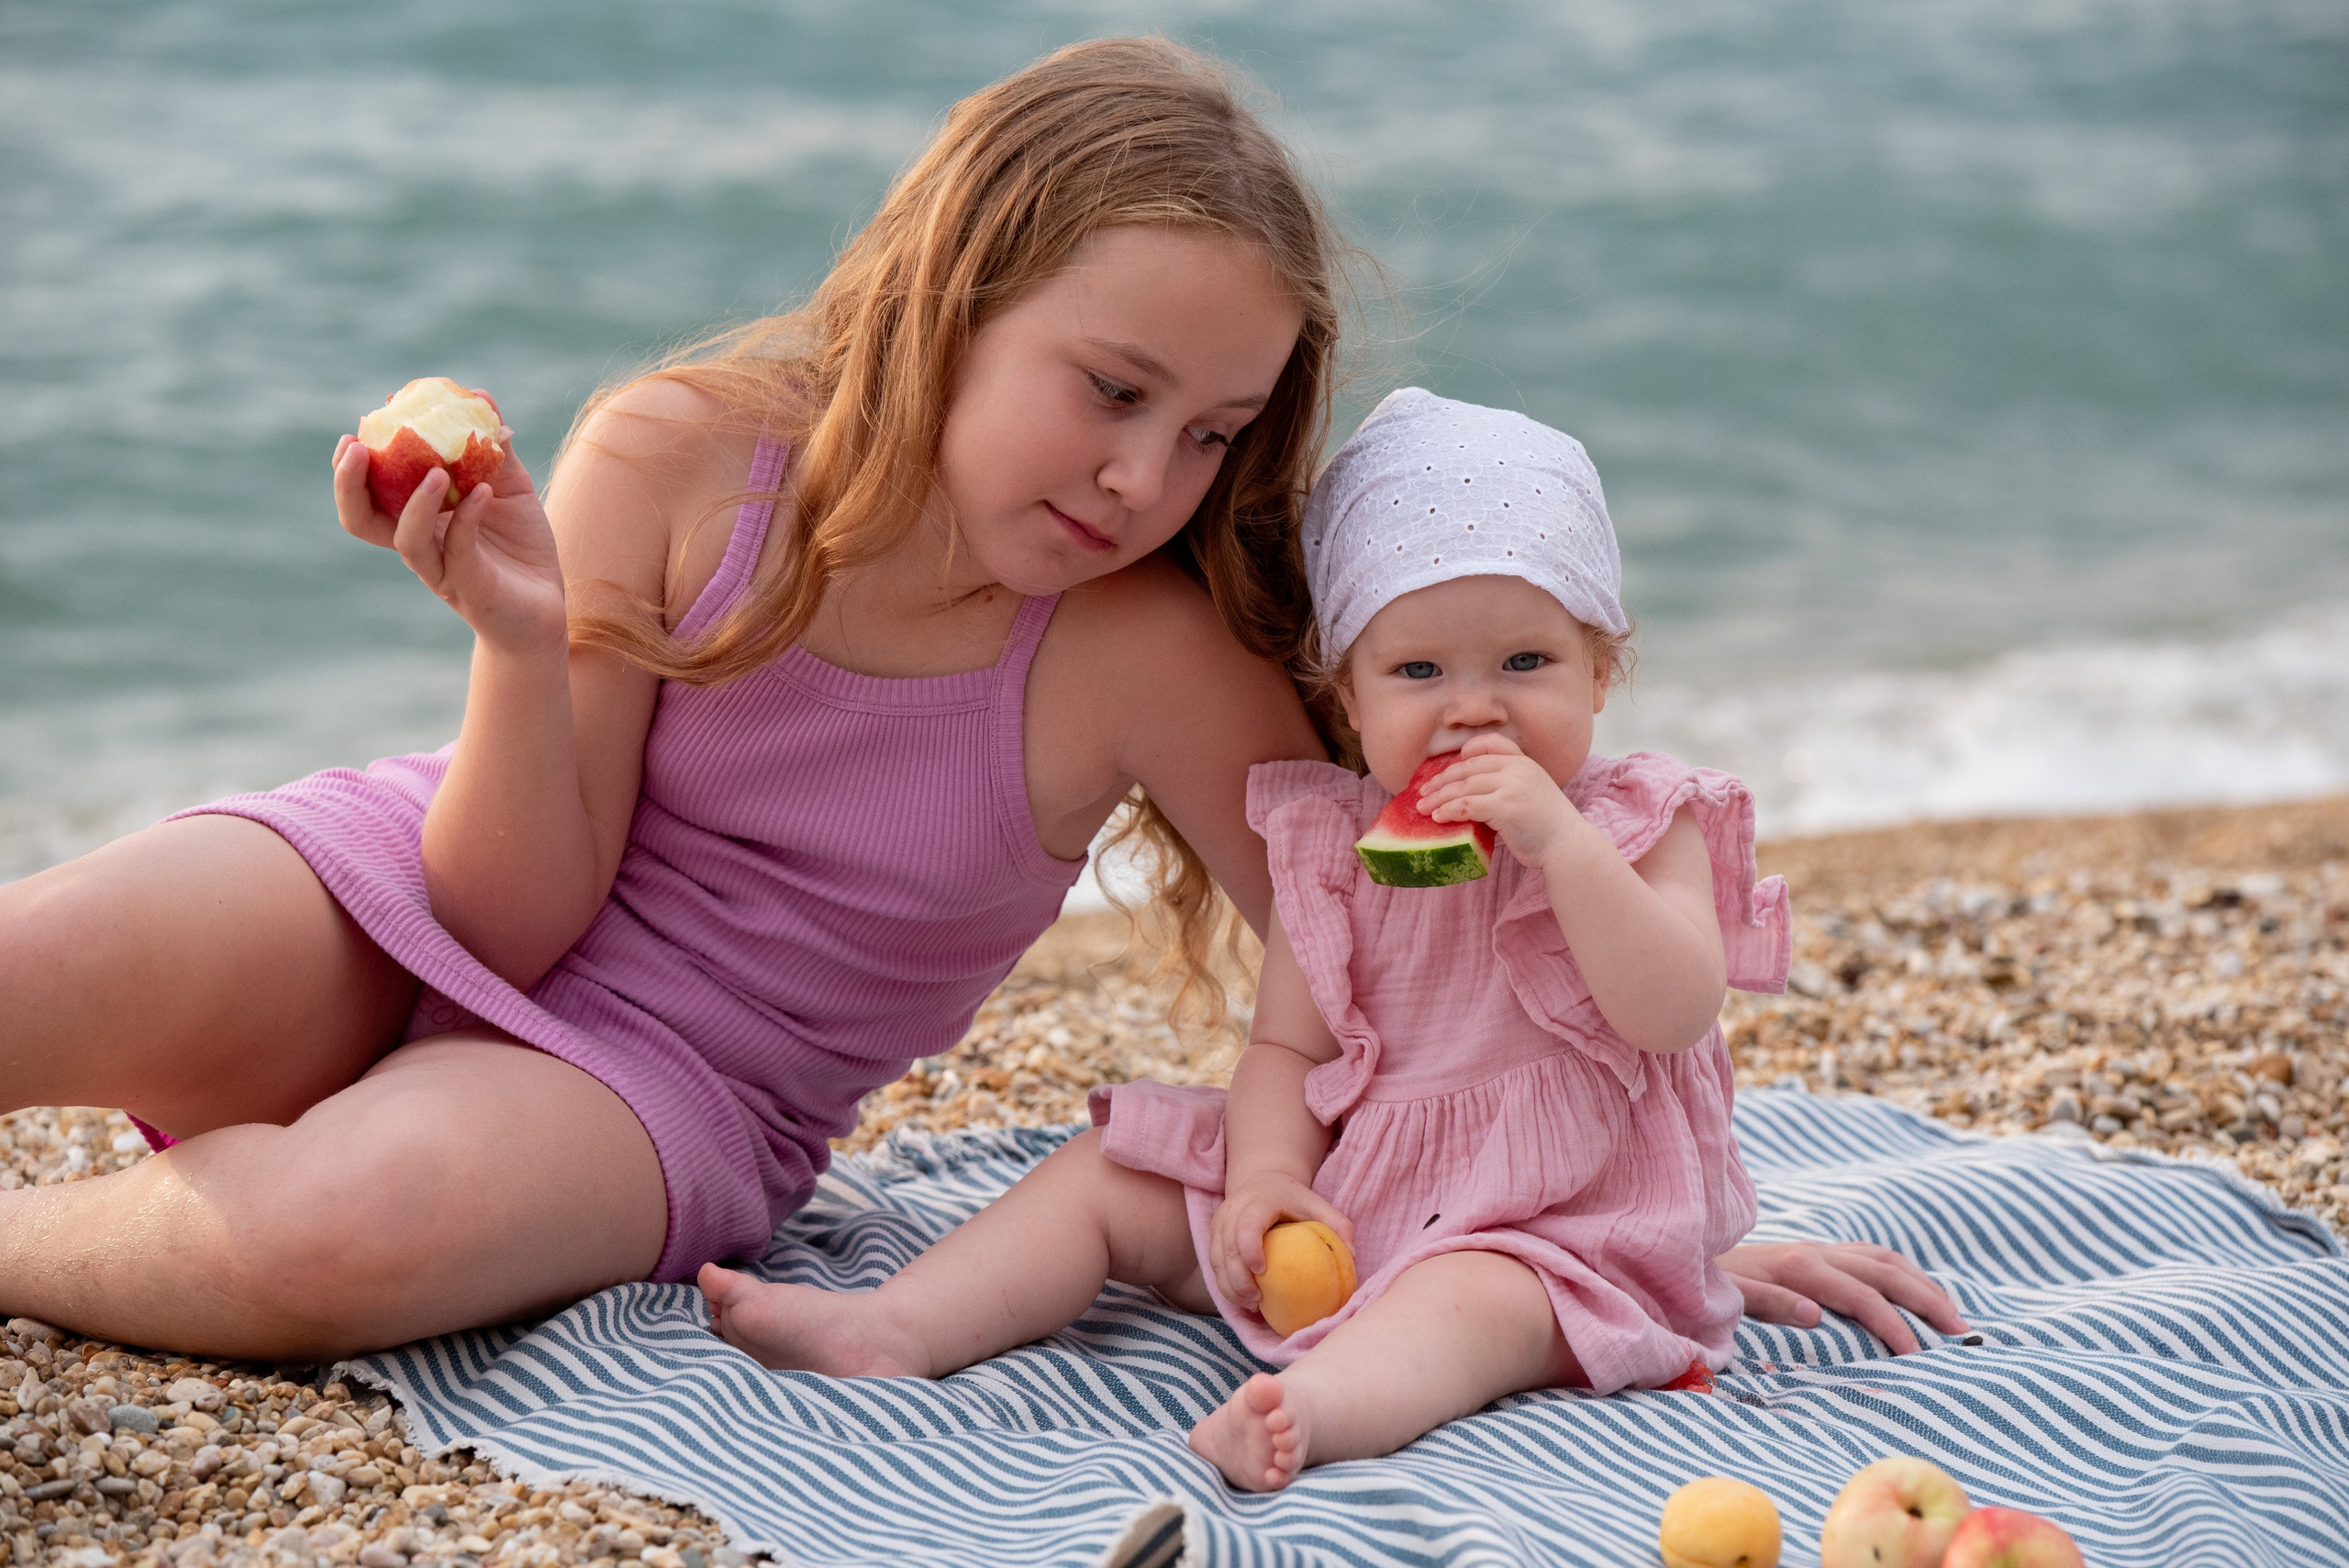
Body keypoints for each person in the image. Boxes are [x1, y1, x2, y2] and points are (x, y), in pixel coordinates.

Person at [1, 39, 1947, 1364]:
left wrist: (1651, 1223)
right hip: (413, 875)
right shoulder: (679, 455)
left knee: (352, 1236)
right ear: (951, 287)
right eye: (1108, 390)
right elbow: (508, 912)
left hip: (670, 1091)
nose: (1140, 482)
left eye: (1206, 436)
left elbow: (1419, 974)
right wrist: (521, 645)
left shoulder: (1142, 656)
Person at [698, 390, 1967, 1492]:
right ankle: (898, 1326)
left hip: (1558, 1226)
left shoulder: (1642, 821)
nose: (1475, 704)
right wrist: (1261, 1180)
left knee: (1466, 1303)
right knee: (1115, 1169)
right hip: (1359, 1185)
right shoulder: (1336, 845)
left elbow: (1674, 1004)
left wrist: (1561, 846)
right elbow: (1288, 1046)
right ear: (1345, 694)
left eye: (1527, 658)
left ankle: (1315, 1413)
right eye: (1418, 671)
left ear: (1603, 670)